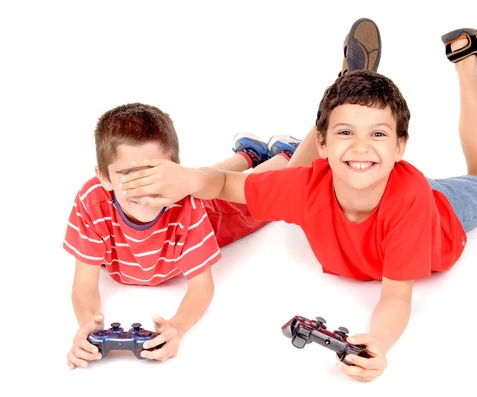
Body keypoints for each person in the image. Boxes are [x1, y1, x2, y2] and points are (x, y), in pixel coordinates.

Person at [118, 21, 477, 382]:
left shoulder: (411, 201)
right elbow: (223, 185)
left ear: (402, 146)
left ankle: (466, 61)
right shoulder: (307, 184)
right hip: (369, 174)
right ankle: (346, 88)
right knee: (293, 176)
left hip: (437, 209)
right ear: (322, 144)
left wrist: (380, 342)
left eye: (379, 134)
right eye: (346, 132)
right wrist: (187, 178)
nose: (361, 145)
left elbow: (396, 296)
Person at [63, 102, 302, 369]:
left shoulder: (187, 208)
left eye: (152, 173)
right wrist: (87, 326)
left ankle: (284, 156)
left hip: (208, 214)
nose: (144, 188)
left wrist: (176, 326)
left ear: (175, 170)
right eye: (128, 176)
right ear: (103, 177)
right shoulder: (91, 201)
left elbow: (202, 287)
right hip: (187, 204)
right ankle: (249, 153)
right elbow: (84, 285)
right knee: (213, 183)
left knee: (250, 201)